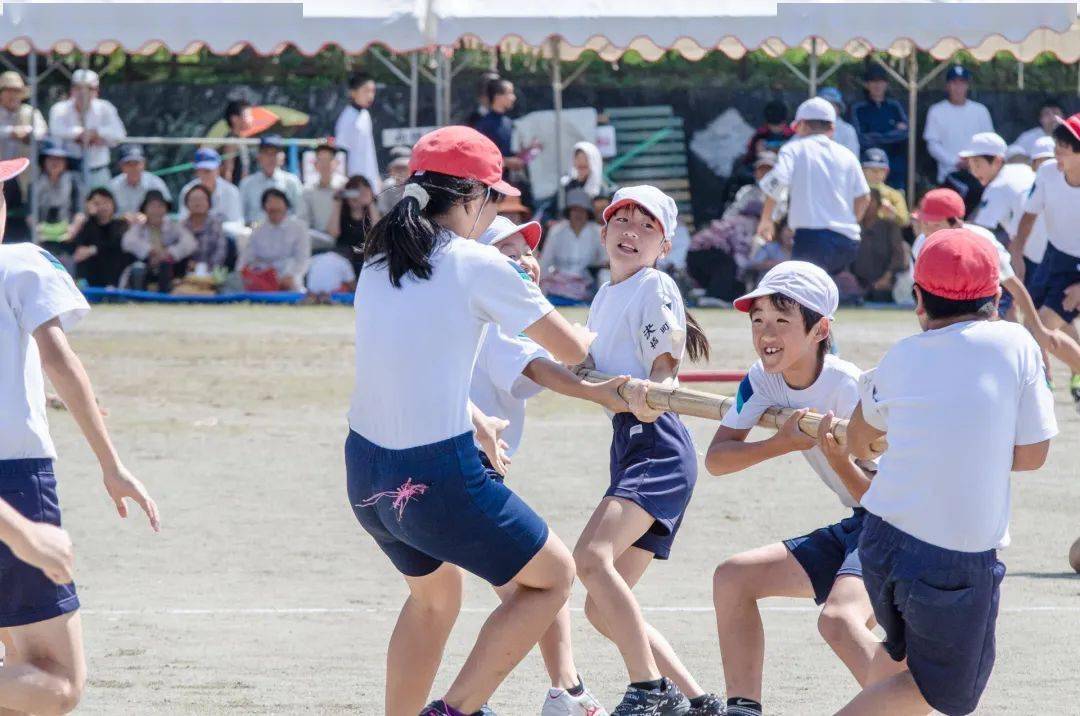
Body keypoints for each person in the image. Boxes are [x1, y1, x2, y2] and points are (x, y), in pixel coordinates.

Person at [346, 125, 594, 716]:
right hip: (434, 474)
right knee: (554, 577)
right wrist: (600, 336)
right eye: (493, 200)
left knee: (435, 600)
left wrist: (474, 413)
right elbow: (575, 352)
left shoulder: (379, 260)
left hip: (365, 473)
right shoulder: (480, 264)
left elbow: (409, 362)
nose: (491, 213)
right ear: (471, 197)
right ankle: (453, 711)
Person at [839, 228, 1057, 715]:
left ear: (918, 299)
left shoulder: (901, 355)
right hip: (953, 559)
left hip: (879, 538)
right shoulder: (1014, 342)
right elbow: (1034, 454)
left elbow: (857, 441)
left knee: (900, 662)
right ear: (997, 297)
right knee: (940, 695)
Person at [0, 159, 159, 715]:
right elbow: (60, 359)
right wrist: (110, 463)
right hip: (14, 479)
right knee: (56, 683)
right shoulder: (20, 263)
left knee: (19, 669)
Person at [708, 262, 895, 716]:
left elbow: (889, 496)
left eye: (782, 321)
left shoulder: (852, 388)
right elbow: (717, 459)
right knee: (733, 578)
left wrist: (838, 458)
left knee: (838, 619)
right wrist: (780, 443)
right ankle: (743, 709)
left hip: (901, 526)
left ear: (820, 329)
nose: (766, 333)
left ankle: (907, 705)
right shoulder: (760, 379)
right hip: (862, 520)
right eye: (758, 321)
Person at [574, 186, 722, 715]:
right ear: (604, 231)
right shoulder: (603, 294)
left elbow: (665, 361)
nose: (631, 232)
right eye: (622, 221)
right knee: (601, 607)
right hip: (631, 441)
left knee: (590, 560)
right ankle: (698, 701)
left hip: (656, 443)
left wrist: (652, 390)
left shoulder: (654, 284)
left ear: (664, 245)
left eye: (646, 226)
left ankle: (649, 692)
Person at [471, 215, 617, 715]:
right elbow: (542, 370)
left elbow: (549, 363)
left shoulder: (501, 317)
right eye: (508, 252)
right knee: (540, 582)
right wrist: (604, 392)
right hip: (463, 470)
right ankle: (469, 704)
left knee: (536, 582)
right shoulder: (497, 317)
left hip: (465, 468)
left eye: (528, 251)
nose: (524, 260)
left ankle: (566, 689)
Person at [911, 188, 1080, 377]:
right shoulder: (921, 244)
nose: (926, 230)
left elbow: (1013, 285)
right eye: (923, 223)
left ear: (956, 222)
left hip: (992, 293)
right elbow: (923, 295)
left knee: (1029, 336)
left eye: (934, 225)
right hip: (950, 302)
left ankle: (1046, 374)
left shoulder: (980, 243)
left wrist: (1037, 327)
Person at [1008, 112, 1080, 410]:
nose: (1056, 156)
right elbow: (1029, 215)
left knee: (1041, 328)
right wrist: (1017, 252)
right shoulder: (1048, 173)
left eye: (1063, 151)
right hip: (1052, 257)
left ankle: (1039, 387)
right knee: (1035, 323)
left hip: (1077, 268)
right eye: (1056, 149)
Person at [757, 97, 870, 277]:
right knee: (823, 293)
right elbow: (864, 197)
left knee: (803, 296)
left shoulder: (794, 148)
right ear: (832, 128)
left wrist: (766, 219)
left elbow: (778, 180)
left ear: (801, 125)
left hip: (811, 238)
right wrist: (850, 221)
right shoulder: (847, 155)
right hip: (848, 241)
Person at [688, 152, 779, 303]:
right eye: (761, 169)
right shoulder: (747, 194)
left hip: (768, 242)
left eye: (769, 170)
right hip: (737, 243)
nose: (765, 174)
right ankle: (711, 295)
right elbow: (731, 223)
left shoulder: (783, 194)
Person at [47, 69, 126, 188]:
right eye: (78, 88)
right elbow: (55, 131)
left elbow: (119, 134)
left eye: (89, 88)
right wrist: (80, 134)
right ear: (72, 90)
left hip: (98, 170)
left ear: (96, 91)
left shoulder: (105, 108)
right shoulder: (59, 109)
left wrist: (96, 133)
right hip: (68, 172)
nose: (83, 92)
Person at [923, 65, 994, 183]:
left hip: (978, 177)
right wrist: (956, 161)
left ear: (967, 86)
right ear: (947, 86)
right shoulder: (936, 111)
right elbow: (932, 144)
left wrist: (973, 162)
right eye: (954, 83)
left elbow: (989, 142)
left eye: (962, 83)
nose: (958, 87)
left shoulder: (980, 111)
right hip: (948, 176)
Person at [121, 190, 197, 292]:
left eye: (160, 206)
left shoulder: (173, 226)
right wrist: (151, 251)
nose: (156, 210)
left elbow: (190, 242)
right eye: (152, 206)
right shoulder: (139, 227)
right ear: (145, 209)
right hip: (146, 267)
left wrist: (169, 253)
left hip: (169, 268)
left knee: (166, 266)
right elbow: (127, 242)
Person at [0, 71, 47, 233]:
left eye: (16, 91)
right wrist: (11, 132)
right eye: (8, 91)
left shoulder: (30, 112)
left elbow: (41, 132)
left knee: (28, 218)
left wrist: (26, 132)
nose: (13, 95)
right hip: (1, 174)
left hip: (24, 177)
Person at [850, 63, 909, 191]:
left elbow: (905, 134)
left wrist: (876, 136)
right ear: (867, 84)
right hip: (869, 165)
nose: (877, 85)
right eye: (873, 81)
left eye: (881, 81)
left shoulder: (895, 106)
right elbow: (861, 138)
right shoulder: (858, 108)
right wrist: (891, 133)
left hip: (895, 167)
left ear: (886, 84)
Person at [538, 188, 605, 301]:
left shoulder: (597, 231)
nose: (578, 214)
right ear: (568, 212)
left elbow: (605, 260)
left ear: (588, 212)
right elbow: (545, 262)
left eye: (582, 210)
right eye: (574, 210)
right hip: (558, 284)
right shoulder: (556, 231)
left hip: (588, 285)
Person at [238, 188, 310, 292]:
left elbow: (303, 259)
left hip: (290, 276)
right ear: (264, 208)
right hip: (263, 278)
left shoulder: (299, 228)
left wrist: (291, 276)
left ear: (286, 206)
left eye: (278, 207)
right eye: (271, 208)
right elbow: (245, 260)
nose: (275, 209)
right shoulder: (258, 231)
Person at [853, 189, 908, 302]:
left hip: (884, 284)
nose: (867, 205)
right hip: (855, 285)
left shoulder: (889, 226)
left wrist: (886, 277)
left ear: (879, 204)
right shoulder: (853, 227)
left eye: (871, 201)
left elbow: (898, 256)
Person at [239, 135, 306, 226]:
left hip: (285, 234)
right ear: (259, 157)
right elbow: (240, 216)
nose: (270, 158)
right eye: (266, 153)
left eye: (274, 153)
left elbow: (300, 213)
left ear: (282, 157)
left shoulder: (292, 182)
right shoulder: (247, 184)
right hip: (255, 235)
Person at [177, 148, 244, 235]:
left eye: (208, 170)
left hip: (225, 240)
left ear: (218, 169)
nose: (204, 174)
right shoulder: (187, 191)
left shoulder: (231, 191)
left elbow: (236, 223)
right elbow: (183, 223)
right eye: (200, 170)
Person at [72, 187, 129, 288]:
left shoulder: (120, 224)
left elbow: (113, 244)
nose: (103, 207)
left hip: (113, 271)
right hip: (92, 272)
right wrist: (90, 217)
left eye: (106, 202)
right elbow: (80, 246)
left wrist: (92, 250)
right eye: (97, 203)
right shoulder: (88, 225)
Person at [333, 73, 380, 191]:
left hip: (369, 178)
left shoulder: (365, 114)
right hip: (354, 180)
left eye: (373, 91)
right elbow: (342, 151)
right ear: (353, 93)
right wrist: (345, 180)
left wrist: (376, 175)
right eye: (366, 91)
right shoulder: (347, 117)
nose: (370, 95)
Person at [30, 141, 82, 246]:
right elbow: (30, 214)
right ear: (44, 161)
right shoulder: (35, 183)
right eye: (51, 159)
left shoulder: (73, 181)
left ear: (65, 162)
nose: (55, 163)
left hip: (68, 232)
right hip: (41, 232)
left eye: (59, 159)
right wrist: (36, 230)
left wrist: (73, 229)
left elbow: (80, 212)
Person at [327, 175, 380, 275]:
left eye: (361, 192)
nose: (356, 197)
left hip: (367, 261)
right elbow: (333, 233)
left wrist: (370, 203)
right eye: (352, 192)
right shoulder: (340, 214)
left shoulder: (373, 214)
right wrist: (337, 203)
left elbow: (377, 233)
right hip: (344, 261)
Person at [302, 143, 346, 250]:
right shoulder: (308, 190)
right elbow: (303, 221)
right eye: (321, 160)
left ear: (335, 163)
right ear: (315, 164)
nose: (325, 164)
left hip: (343, 240)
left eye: (328, 160)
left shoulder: (345, 186)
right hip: (317, 240)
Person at [107, 144, 170, 219]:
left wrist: (147, 217)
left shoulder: (155, 184)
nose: (133, 168)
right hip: (122, 227)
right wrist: (122, 218)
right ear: (121, 166)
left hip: (150, 226)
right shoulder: (113, 186)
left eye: (137, 163)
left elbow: (166, 211)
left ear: (144, 164)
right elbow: (107, 214)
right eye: (129, 164)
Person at [180, 184, 229, 272]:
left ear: (209, 203)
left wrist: (201, 268)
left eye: (202, 199)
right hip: (185, 274)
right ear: (186, 204)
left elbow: (220, 254)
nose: (198, 203)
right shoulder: (181, 226)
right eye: (194, 200)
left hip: (211, 274)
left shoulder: (216, 225)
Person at [861, 148, 909, 228]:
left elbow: (905, 221)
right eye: (871, 169)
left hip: (885, 237)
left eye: (881, 170)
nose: (876, 173)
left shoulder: (895, 195)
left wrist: (892, 213)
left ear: (887, 171)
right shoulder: (854, 193)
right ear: (862, 170)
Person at [473, 78, 517, 158]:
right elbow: (480, 155)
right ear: (498, 96)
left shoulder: (509, 122)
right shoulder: (484, 125)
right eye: (510, 93)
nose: (513, 97)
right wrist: (506, 162)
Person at [220, 99, 255, 186]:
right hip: (236, 190)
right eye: (248, 115)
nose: (252, 118)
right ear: (234, 119)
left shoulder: (241, 139)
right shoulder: (231, 141)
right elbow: (228, 171)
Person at [817, 87, 859, 158]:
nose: (826, 108)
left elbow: (852, 159)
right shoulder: (807, 127)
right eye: (823, 104)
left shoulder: (848, 130)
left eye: (832, 105)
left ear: (839, 108)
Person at [376, 145, 411, 214]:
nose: (402, 172)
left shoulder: (419, 186)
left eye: (404, 168)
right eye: (398, 168)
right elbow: (383, 213)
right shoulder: (387, 186)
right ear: (390, 170)